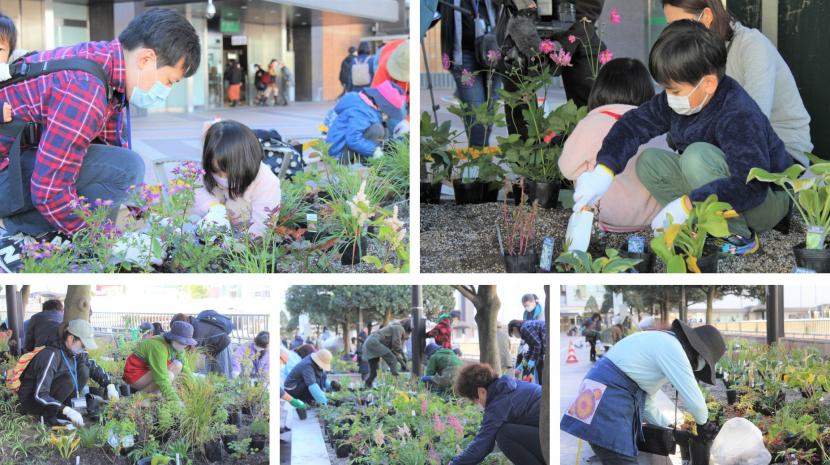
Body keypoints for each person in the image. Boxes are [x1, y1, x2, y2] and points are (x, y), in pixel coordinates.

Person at [0, 8, 200, 273]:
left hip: (16, 166)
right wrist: (107, 240)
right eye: (168, 81)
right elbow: (48, 190)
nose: (166, 91)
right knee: (127, 168)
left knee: (124, 166)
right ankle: (34, 229)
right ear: (146, 59)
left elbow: (112, 150)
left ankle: (73, 233)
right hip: (6, 180)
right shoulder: (86, 89)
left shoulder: (106, 66)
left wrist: (146, 216)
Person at [572, 20, 792, 255]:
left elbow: (751, 185)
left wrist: (687, 204)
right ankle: (703, 226)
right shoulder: (680, 100)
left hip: (764, 200)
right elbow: (633, 125)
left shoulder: (738, 114)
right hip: (720, 187)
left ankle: (738, 235)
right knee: (649, 162)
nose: (668, 96)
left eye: (674, 90)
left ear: (707, 84)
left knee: (695, 157)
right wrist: (604, 170)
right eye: (665, 88)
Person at [663, 0, 812, 165]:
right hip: (719, 151)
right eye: (670, 27)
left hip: (781, 155)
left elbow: (752, 123)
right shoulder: (697, 56)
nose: (674, 35)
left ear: (706, 16)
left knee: (696, 157)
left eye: (680, 25)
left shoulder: (752, 45)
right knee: (652, 163)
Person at [561, 319, 725, 464]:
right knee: (622, 459)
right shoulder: (672, 348)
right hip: (608, 401)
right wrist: (704, 425)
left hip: (596, 395)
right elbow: (694, 399)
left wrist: (671, 430)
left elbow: (647, 403)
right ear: (700, 355)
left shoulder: (660, 340)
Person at [559, 58, 668, 231]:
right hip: (653, 221)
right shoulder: (657, 125)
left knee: (581, 168)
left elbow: (566, 168)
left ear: (599, 90)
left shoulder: (592, 123)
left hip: (604, 218)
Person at [18, 320, 119, 427]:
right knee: (68, 380)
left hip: (52, 396)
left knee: (84, 370)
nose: (85, 348)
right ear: (71, 339)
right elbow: (40, 394)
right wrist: (66, 410)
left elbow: (93, 366)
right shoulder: (51, 355)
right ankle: (47, 416)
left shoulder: (74, 352)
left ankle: (65, 410)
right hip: (35, 401)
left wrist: (109, 385)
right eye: (83, 344)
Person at [192, 120, 281, 239]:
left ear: (248, 161)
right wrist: (214, 208)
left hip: (247, 243)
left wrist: (237, 246)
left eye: (228, 172)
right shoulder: (204, 171)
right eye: (216, 171)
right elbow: (198, 191)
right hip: (210, 236)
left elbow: (262, 225)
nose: (222, 178)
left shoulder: (266, 180)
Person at [448, 363, 544, 465]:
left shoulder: (498, 403)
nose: (476, 404)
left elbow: (482, 444)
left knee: (504, 435)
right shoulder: (507, 386)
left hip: (548, 439)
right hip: (545, 433)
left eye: (474, 400)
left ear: (481, 392)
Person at [436, 0, 499, 148]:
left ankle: (480, 154)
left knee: (489, 108)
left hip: (493, 50)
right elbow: (431, 12)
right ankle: (479, 157)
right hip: (463, 56)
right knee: (476, 110)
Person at [326, 80, 406, 164]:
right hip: (337, 155)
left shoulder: (367, 106)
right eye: (389, 114)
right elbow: (353, 140)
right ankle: (362, 163)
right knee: (377, 129)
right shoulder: (362, 112)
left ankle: (368, 160)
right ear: (381, 106)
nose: (388, 117)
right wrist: (374, 151)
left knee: (384, 129)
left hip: (344, 148)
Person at [124, 320, 196, 402]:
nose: (184, 345)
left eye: (186, 342)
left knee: (178, 365)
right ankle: (140, 397)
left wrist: (194, 388)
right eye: (182, 342)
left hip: (147, 372)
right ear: (173, 338)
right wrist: (176, 402)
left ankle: (157, 394)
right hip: (134, 376)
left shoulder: (177, 347)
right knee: (168, 376)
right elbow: (162, 379)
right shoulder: (158, 347)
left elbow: (185, 367)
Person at [171, 311, 233, 377]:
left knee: (222, 375)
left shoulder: (194, 330)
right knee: (211, 373)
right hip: (212, 346)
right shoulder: (193, 323)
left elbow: (189, 351)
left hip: (222, 344)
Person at [362, 319, 411, 388]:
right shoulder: (399, 328)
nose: (406, 338)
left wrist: (404, 364)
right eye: (407, 336)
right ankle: (397, 384)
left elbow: (394, 352)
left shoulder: (395, 329)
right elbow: (396, 346)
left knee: (374, 371)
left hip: (369, 342)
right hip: (374, 342)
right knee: (392, 359)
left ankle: (367, 386)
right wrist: (404, 358)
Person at [508, 319, 546, 385]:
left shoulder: (524, 328)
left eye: (513, 334)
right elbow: (531, 348)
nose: (515, 336)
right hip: (544, 344)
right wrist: (522, 366)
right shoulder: (526, 328)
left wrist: (532, 360)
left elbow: (537, 345)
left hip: (546, 341)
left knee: (542, 372)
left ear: (514, 329)